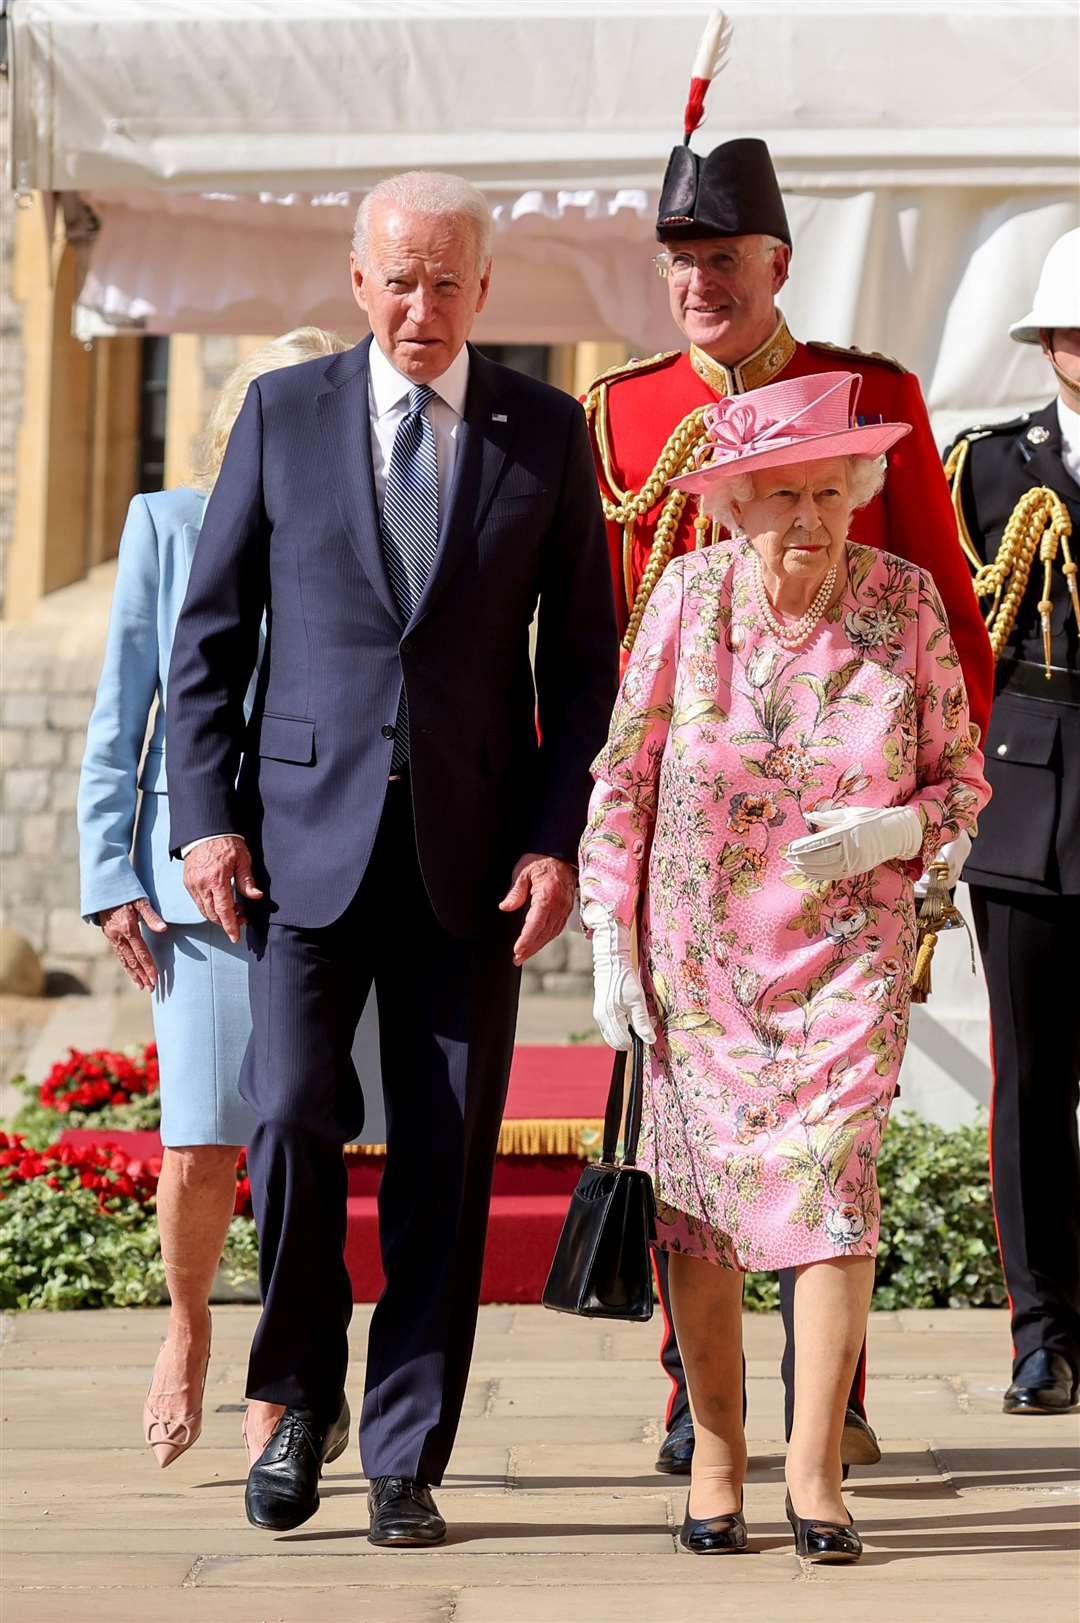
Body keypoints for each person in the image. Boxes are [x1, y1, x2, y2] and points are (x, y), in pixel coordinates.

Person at [164, 170, 618, 1545]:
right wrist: (208, 816)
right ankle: (297, 1400)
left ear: (486, 288)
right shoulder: (284, 414)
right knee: (296, 1114)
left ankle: (409, 1447)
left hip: (471, 858)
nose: (421, 308)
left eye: (446, 282)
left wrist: (558, 836)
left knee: (444, 1151)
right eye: (397, 279)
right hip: (298, 848)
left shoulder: (544, 431)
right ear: (357, 281)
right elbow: (210, 639)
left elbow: (585, 665)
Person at [585, 106, 994, 1477]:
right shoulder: (625, 409)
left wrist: (928, 835)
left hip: (844, 843)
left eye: (724, 257)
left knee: (833, 1155)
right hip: (693, 850)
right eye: (679, 257)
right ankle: (690, 1403)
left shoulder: (867, 389)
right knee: (686, 1162)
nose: (701, 282)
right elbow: (603, 647)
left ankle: (837, 1402)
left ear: (779, 260)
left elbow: (949, 612)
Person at [77, 327, 349, 1468]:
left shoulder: (360, 527)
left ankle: (291, 1380)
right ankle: (186, 1328)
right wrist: (108, 875)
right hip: (194, 886)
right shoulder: (166, 525)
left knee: (304, 1137)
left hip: (334, 871)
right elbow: (123, 703)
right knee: (202, 1140)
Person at [944, 227, 1080, 1416]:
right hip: (1030, 787)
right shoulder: (993, 467)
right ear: (1049, 345)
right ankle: (1042, 1329)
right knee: (1030, 1077)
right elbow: (959, 633)